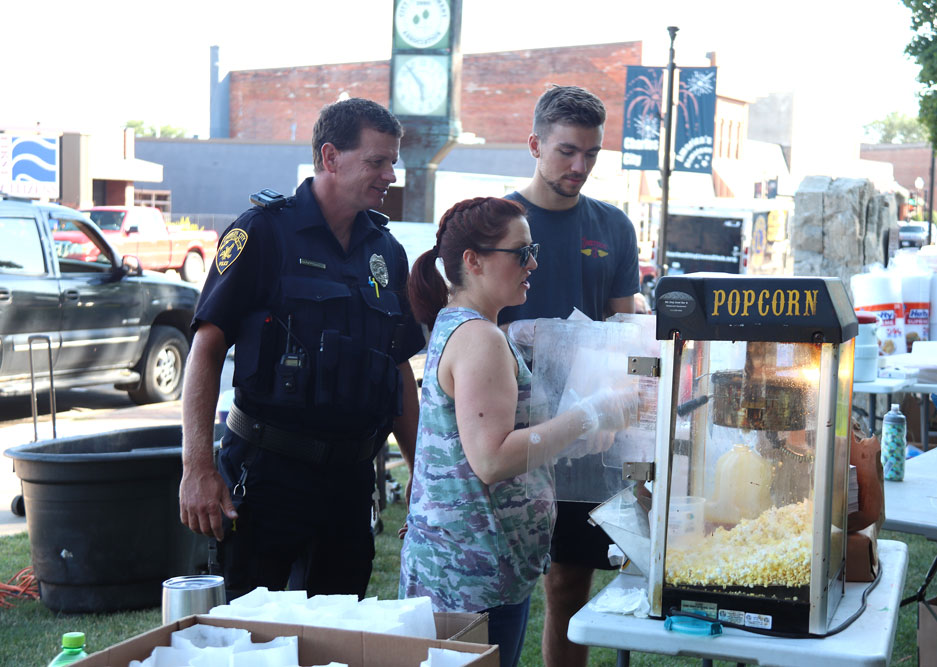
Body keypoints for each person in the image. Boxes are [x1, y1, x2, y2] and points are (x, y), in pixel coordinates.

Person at [178, 98, 425, 601]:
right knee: (253, 636)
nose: (389, 176)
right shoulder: (263, 231)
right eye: (377, 162)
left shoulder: (387, 252)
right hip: (268, 474)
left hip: (351, 482)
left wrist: (421, 481)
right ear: (331, 157)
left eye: (392, 162)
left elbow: (397, 368)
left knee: (337, 633)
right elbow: (204, 349)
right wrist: (197, 468)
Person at [398, 196, 638, 667]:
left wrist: (578, 426)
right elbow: (491, 460)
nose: (532, 264)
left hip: (477, 568)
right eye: (520, 252)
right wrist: (590, 413)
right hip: (470, 576)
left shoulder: (469, 326)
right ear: (474, 261)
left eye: (534, 251)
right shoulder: (480, 338)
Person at [498, 84, 642, 667]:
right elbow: (462, 323)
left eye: (591, 155)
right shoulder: (496, 222)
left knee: (568, 587)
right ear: (534, 144)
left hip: (589, 435)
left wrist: (615, 410)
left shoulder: (612, 226)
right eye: (565, 152)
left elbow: (628, 333)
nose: (578, 167)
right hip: (504, 434)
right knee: (493, 590)